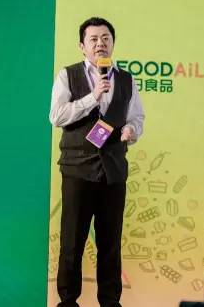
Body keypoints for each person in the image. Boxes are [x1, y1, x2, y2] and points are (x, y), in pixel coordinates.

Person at [49, 17, 145, 307]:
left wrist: (132, 131)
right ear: (82, 46)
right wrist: (92, 97)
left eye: (105, 38)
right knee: (72, 242)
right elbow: (57, 116)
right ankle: (68, 301)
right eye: (93, 39)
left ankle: (110, 302)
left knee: (110, 243)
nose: (100, 44)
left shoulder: (126, 79)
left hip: (113, 171)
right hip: (78, 170)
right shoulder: (68, 75)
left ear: (113, 43)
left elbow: (137, 117)